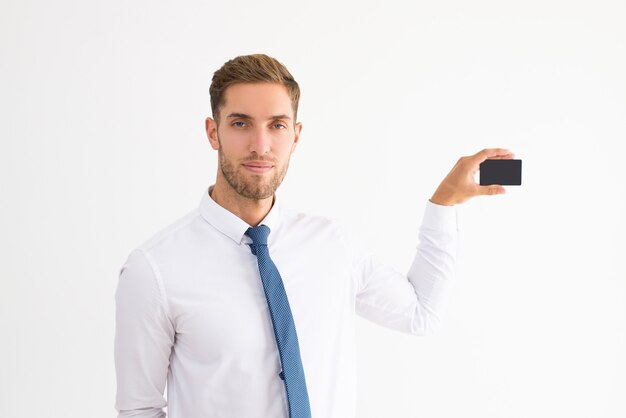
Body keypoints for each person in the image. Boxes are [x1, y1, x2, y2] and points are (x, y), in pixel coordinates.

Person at [114, 53, 514, 418]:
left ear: (296, 135)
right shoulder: (155, 269)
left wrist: (443, 203)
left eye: (277, 125)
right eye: (240, 124)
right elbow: (139, 409)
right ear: (212, 132)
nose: (260, 145)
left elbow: (421, 314)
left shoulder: (332, 245)